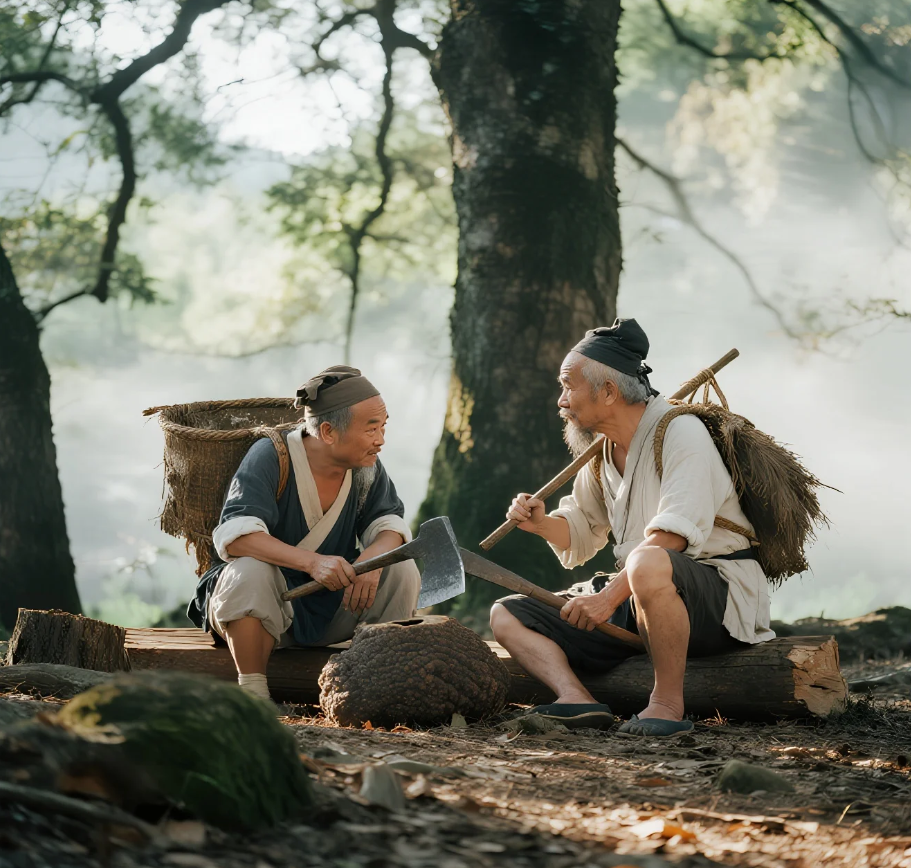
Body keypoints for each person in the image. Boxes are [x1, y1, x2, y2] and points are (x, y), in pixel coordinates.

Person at [490, 319, 774, 737]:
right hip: (637, 593)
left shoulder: (682, 432)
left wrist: (606, 599)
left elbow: (673, 537)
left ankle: (666, 705)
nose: (561, 400)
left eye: (569, 386)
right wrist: (542, 524)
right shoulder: (602, 450)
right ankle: (576, 698)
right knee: (507, 614)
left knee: (647, 560)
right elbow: (582, 532)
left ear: (608, 392)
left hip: (715, 600)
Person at [188, 365, 420, 702]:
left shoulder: (366, 465)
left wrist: (373, 560)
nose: (380, 440)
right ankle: (253, 694)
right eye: (371, 429)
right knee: (249, 571)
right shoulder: (271, 457)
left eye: (383, 427)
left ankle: (378, 689)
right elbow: (237, 536)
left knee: (400, 568)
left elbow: (389, 524)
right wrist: (312, 563)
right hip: (262, 610)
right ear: (328, 432)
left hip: (330, 606)